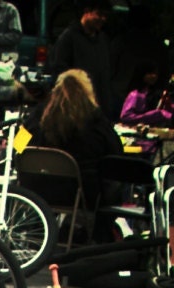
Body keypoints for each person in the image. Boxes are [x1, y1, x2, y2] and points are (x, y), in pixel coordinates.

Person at [29, 67, 122, 209]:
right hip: (82, 197)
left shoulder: (37, 116)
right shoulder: (96, 120)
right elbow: (116, 152)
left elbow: (17, 144)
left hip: (38, 192)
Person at [53, 2, 115, 118]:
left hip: (99, 106)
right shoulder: (68, 38)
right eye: (99, 14)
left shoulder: (103, 40)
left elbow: (106, 74)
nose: (103, 19)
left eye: (105, 16)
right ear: (87, 12)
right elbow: (60, 72)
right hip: (76, 106)